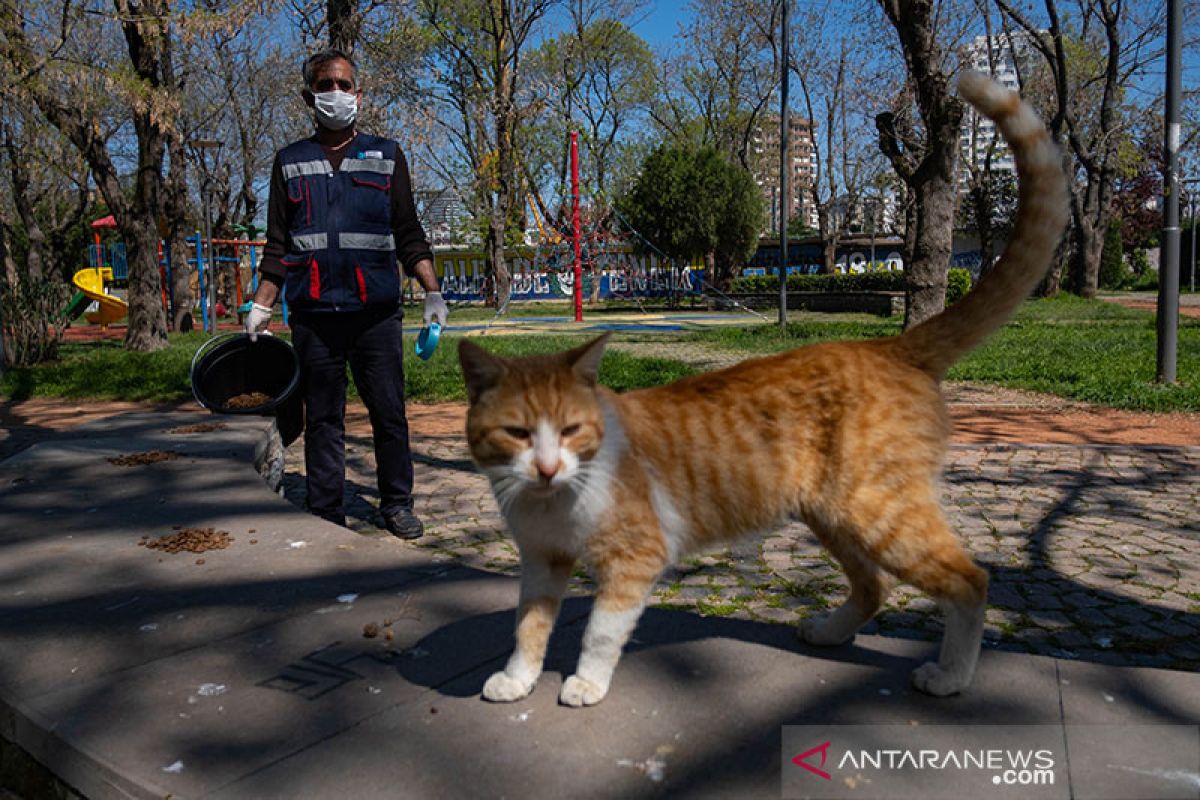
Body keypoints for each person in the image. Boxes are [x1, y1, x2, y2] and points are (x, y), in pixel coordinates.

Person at [245, 49, 447, 540]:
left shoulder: (387, 155)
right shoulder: (289, 162)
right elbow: (278, 245)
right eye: (324, 84)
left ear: (358, 93)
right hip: (314, 316)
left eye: (343, 84)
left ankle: (397, 503)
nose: (335, 92)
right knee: (324, 422)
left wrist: (432, 292)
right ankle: (327, 511)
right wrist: (262, 303)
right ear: (308, 95)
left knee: (389, 415)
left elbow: (409, 232)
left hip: (375, 315)